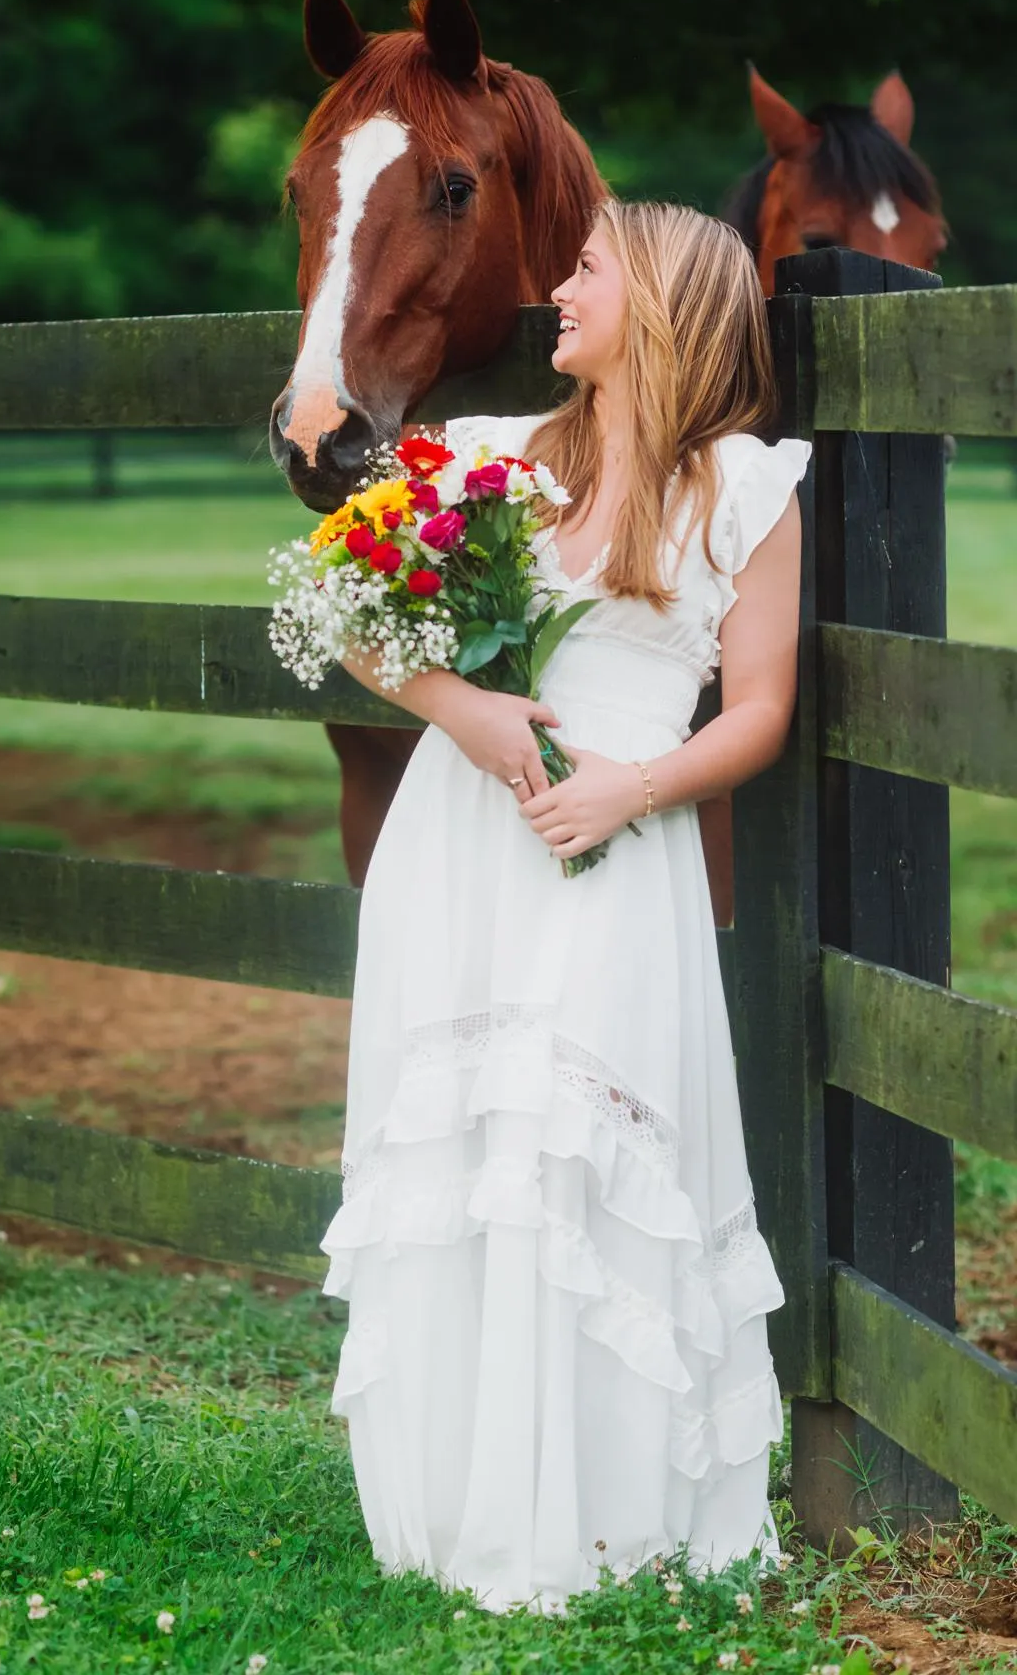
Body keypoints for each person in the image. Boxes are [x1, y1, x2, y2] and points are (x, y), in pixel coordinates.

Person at [321, 198, 810, 1614]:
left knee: (576, 1137)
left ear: (661, 305)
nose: (555, 287)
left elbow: (762, 711)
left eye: (587, 268)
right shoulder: (489, 459)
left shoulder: (744, 490)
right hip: (464, 843)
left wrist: (631, 790)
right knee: (471, 1141)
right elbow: (356, 620)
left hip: (617, 845)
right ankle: (463, 1498)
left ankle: (598, 1509)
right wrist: (464, 709)